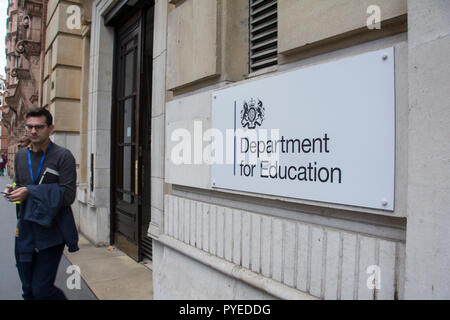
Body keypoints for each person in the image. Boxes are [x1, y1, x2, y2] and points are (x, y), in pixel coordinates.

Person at [3, 108, 79, 300]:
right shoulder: (21, 156)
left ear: (50, 128)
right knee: (27, 290)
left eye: (39, 127)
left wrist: (31, 191)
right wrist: (12, 189)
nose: (33, 131)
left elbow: (68, 195)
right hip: (25, 230)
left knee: (42, 291)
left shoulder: (63, 156)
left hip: (51, 232)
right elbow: (19, 183)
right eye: (29, 127)